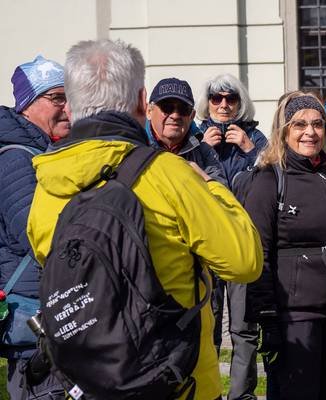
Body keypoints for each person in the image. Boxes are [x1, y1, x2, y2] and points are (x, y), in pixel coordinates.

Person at [25, 38, 263, 400]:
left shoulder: (47, 180)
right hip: (180, 381)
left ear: (71, 106)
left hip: (90, 379)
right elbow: (245, 261)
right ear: (141, 101)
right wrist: (213, 187)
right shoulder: (170, 174)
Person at [243, 91, 326, 400]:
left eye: (318, 124)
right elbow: (258, 254)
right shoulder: (269, 180)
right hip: (293, 318)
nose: (310, 132)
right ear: (285, 131)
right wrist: (267, 319)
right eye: (300, 125)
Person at [0, 55, 69, 399]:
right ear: (28, 105)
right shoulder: (16, 157)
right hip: (32, 325)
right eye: (57, 97)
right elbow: (33, 232)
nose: (67, 107)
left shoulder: (45, 153)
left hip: (48, 314)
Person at [196, 73, 267, 400]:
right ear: (207, 103)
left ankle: (241, 395)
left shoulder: (256, 138)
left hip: (240, 243)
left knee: (243, 330)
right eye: (216, 98)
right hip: (205, 246)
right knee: (204, 327)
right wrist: (201, 150)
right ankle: (206, 392)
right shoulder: (194, 137)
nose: (223, 105)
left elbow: (271, 180)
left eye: (231, 99)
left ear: (241, 103)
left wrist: (251, 149)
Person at [146, 77, 225, 184]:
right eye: (167, 108)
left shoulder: (203, 152)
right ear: (149, 112)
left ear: (192, 116)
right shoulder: (135, 147)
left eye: (183, 109)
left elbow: (222, 197)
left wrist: (204, 179)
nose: (175, 115)